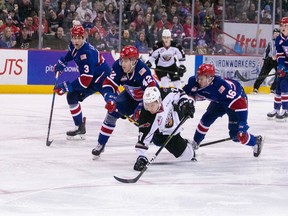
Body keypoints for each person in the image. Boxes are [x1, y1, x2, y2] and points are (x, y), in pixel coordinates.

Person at [183, 63, 264, 157]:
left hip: (235, 102)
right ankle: (195, 143)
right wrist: (190, 101)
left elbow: (240, 103)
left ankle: (255, 141)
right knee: (206, 120)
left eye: (201, 78)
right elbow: (186, 92)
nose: (198, 80)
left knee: (236, 136)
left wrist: (243, 124)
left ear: (209, 78)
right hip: (218, 101)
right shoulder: (193, 81)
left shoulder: (221, 87)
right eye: (198, 77)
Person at [91, 45, 158, 158]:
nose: (123, 63)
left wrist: (142, 107)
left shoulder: (143, 70)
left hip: (149, 100)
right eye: (122, 60)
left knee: (147, 123)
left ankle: (156, 136)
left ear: (134, 61)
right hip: (130, 96)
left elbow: (151, 92)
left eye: (126, 60)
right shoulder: (118, 66)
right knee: (111, 113)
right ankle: (101, 144)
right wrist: (110, 99)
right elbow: (108, 85)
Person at [53, 25, 111, 139]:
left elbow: (85, 81)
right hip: (92, 78)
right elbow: (71, 53)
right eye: (74, 37)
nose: (76, 41)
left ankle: (144, 123)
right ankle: (80, 127)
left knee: (116, 105)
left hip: (103, 79)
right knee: (72, 96)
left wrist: (65, 86)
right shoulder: (73, 45)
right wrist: (63, 62)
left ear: (84, 37)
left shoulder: (86, 53)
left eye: (79, 38)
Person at [133, 86, 196, 171]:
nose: (149, 109)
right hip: (165, 134)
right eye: (147, 105)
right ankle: (185, 143)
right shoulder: (146, 119)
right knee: (188, 155)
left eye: (152, 105)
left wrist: (185, 104)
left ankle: (185, 141)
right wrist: (141, 158)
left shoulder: (165, 93)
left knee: (188, 106)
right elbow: (142, 142)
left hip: (176, 115)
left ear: (158, 101)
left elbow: (180, 92)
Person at [267, 17, 288, 120]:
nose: (283, 28)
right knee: (278, 87)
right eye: (282, 26)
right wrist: (281, 66)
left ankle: (285, 109)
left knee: (284, 85)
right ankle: (276, 108)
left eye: (286, 26)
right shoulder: (279, 39)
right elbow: (280, 56)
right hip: (285, 65)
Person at [253, 28, 280, 94]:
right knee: (263, 74)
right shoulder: (270, 42)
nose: (276, 35)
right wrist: (264, 59)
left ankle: (273, 89)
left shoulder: (282, 42)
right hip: (269, 60)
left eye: (277, 33)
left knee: (279, 75)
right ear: (273, 34)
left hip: (278, 61)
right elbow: (266, 51)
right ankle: (256, 88)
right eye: (275, 33)